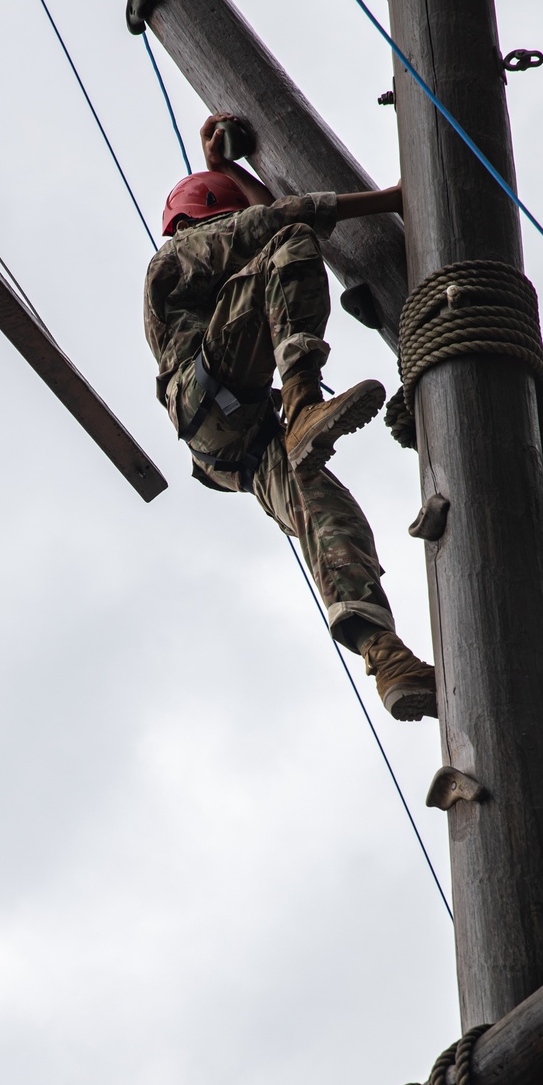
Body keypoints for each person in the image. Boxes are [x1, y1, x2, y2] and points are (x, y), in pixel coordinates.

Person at [144, 114, 437, 722]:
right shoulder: (175, 258)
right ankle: (303, 401)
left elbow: (259, 216)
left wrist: (227, 170)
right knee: (292, 247)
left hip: (235, 443)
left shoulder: (209, 266)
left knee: (330, 520)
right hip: (214, 390)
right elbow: (275, 222)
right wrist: (393, 199)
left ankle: (387, 660)